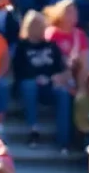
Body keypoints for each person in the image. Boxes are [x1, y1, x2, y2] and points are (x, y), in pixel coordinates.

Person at [13, 10, 70, 149]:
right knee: (29, 86)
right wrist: (36, 78)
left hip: (50, 85)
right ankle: (33, 129)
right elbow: (18, 71)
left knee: (63, 94)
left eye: (41, 24)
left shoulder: (52, 46)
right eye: (35, 25)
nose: (40, 28)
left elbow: (62, 69)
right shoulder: (22, 46)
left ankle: (63, 140)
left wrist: (56, 78)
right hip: (29, 85)